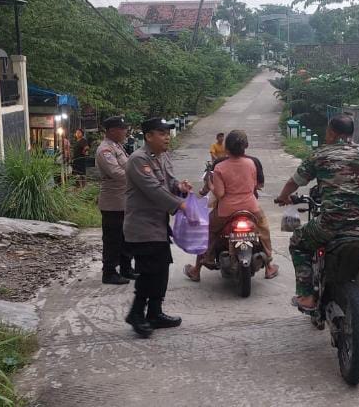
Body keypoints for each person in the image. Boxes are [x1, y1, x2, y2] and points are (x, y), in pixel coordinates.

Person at [275, 115, 359, 358]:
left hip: (331, 225)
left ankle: (307, 295)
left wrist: (282, 197)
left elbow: (295, 182)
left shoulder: (320, 155)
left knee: (298, 243)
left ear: (331, 131)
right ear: (352, 133)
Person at [123, 117, 193, 338]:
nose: (166, 137)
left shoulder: (162, 157)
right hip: (142, 226)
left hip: (158, 226)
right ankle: (136, 313)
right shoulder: (138, 160)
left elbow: (170, 182)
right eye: (161, 133)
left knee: (161, 270)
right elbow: (153, 189)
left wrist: (180, 187)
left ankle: (155, 312)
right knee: (149, 271)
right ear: (148, 136)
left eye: (167, 133)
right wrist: (180, 204)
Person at [185, 130, 279, 281]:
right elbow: (255, 185)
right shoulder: (252, 163)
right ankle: (269, 265)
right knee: (263, 230)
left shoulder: (219, 167)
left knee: (208, 230)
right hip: (251, 208)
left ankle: (199, 268)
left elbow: (220, 194)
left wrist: (210, 184)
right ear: (245, 147)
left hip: (226, 211)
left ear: (226, 149)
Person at [95, 116, 137, 285]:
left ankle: (126, 267)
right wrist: (137, 178)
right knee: (112, 239)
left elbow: (127, 167)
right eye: (122, 128)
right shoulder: (104, 150)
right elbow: (116, 173)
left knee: (126, 237)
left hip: (125, 200)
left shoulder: (117, 146)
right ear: (112, 130)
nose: (125, 131)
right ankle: (109, 272)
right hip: (113, 202)